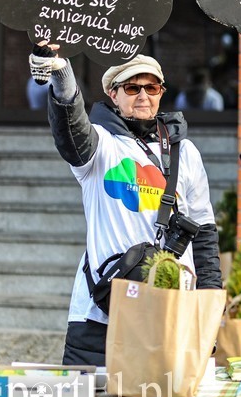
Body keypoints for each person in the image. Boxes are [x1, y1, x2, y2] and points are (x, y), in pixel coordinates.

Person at [28, 42, 222, 366]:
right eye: (132, 87)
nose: (143, 95)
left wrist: (209, 304)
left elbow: (203, 235)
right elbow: (70, 128)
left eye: (152, 87)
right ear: (114, 95)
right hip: (100, 314)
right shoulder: (100, 144)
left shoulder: (184, 152)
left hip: (173, 311)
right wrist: (61, 73)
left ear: (162, 93)